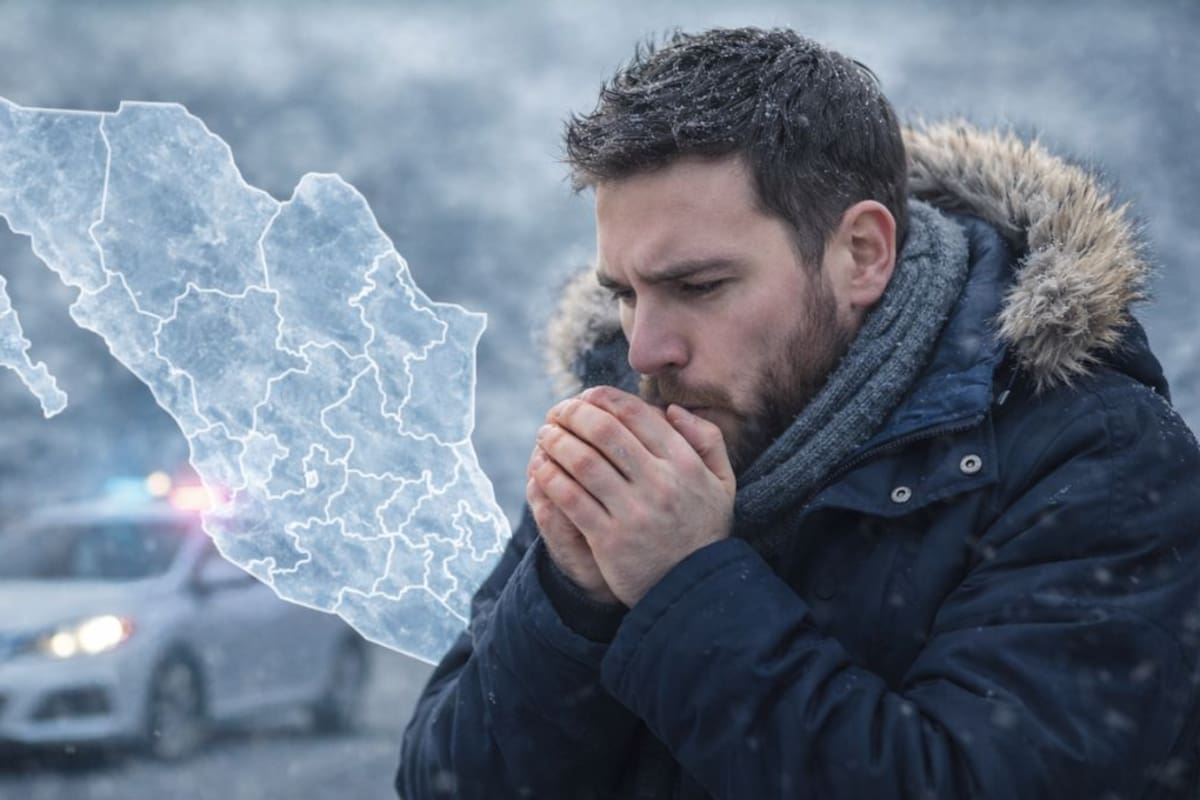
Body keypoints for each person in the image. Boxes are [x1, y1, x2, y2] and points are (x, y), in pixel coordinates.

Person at [396, 27, 1200, 799]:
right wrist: (572, 599)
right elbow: (446, 782)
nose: (645, 349)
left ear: (862, 255)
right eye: (624, 294)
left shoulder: (1093, 456)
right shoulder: (638, 435)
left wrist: (684, 582)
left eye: (700, 286)